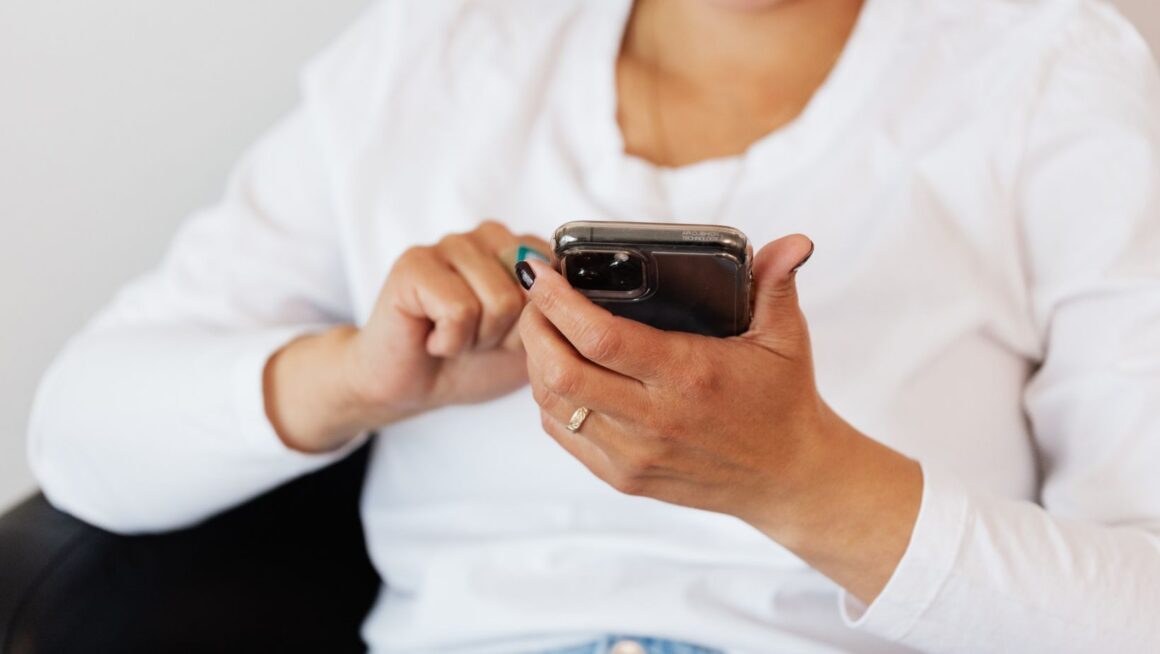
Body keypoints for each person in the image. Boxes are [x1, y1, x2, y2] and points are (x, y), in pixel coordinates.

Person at [27, 0, 1160, 651]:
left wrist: (802, 483)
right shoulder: (430, 53)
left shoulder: (1050, 73)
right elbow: (79, 442)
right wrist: (359, 379)